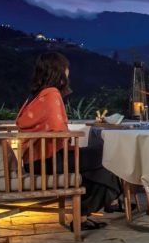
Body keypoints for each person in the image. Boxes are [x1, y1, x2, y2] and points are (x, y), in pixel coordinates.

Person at [16, 52, 120, 230]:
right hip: (50, 161)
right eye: (66, 68)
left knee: (101, 166)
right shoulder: (51, 94)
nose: (68, 71)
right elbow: (58, 130)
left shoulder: (33, 96)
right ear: (59, 72)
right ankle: (89, 211)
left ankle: (91, 212)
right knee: (109, 155)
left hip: (33, 161)